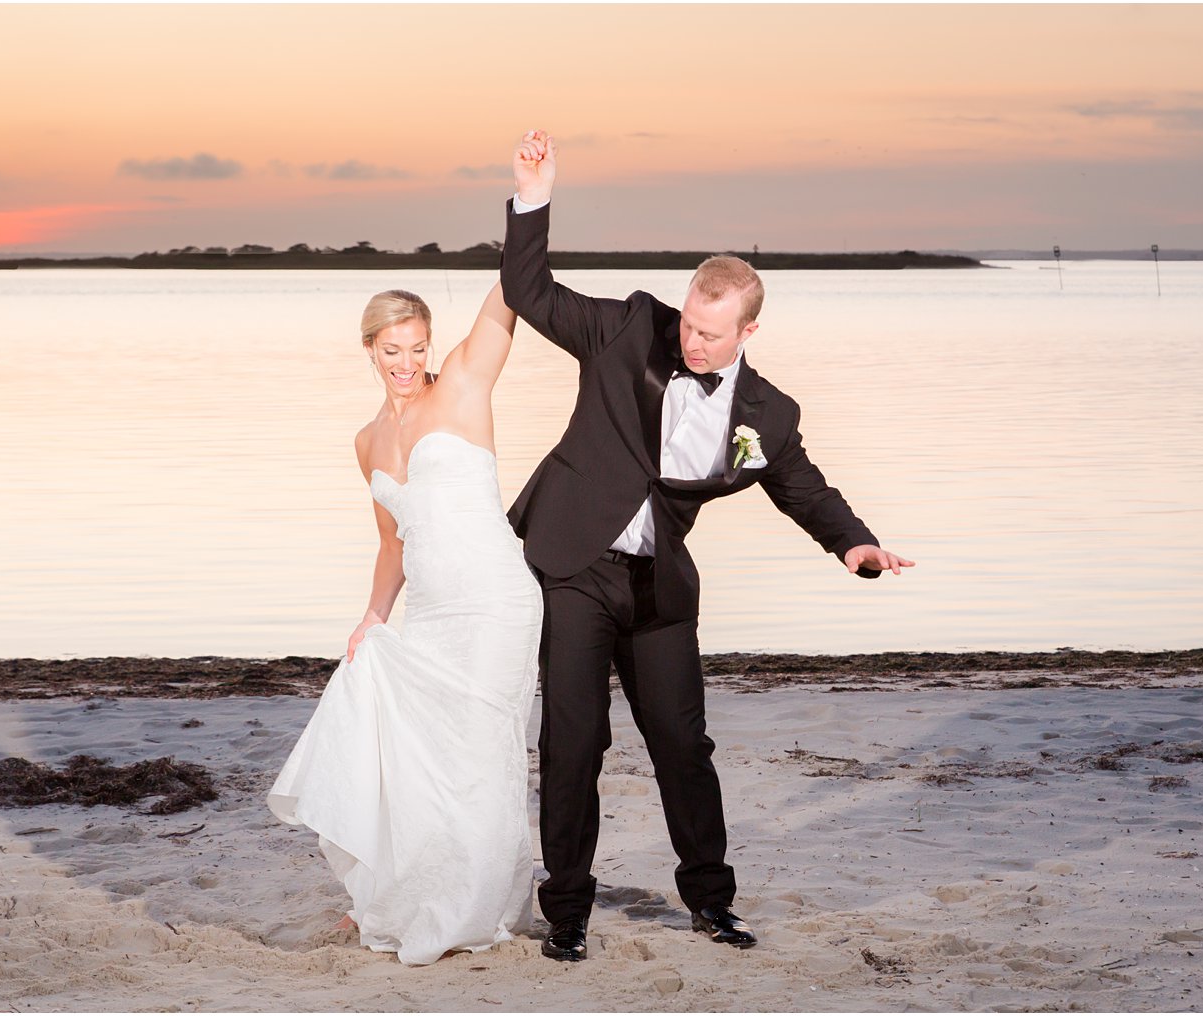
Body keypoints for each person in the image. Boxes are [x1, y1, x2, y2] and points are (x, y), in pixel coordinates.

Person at [501, 130, 914, 962]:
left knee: (684, 747)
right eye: (690, 324)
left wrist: (856, 545)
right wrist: (533, 194)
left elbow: (802, 487)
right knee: (573, 744)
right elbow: (527, 288)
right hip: (573, 565)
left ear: (748, 332)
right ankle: (569, 912)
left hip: (659, 591)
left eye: (712, 334)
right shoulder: (625, 331)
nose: (693, 342)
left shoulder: (769, 415)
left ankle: (711, 903)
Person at [267, 283, 542, 966]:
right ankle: (422, 893)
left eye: (418, 348)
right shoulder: (367, 441)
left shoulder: (463, 388)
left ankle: (474, 909)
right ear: (369, 348)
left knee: (479, 758)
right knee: (422, 758)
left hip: (495, 603)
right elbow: (392, 543)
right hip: (431, 613)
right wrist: (371, 619)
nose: (408, 362)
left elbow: (505, 301)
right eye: (394, 350)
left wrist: (529, 203)